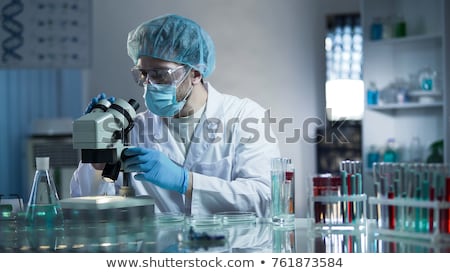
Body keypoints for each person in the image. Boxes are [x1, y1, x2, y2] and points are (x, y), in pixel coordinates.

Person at [70, 13, 280, 217]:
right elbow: (87, 205)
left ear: (196, 73)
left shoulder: (245, 117)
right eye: (143, 74)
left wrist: (186, 182)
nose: (149, 84)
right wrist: (97, 159)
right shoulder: (133, 128)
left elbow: (266, 199)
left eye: (160, 74)